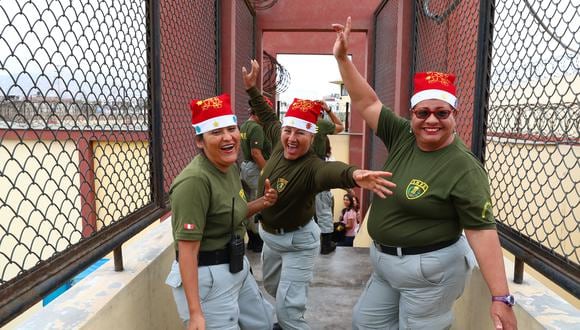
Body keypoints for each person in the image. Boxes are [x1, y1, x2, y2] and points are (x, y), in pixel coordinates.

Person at [333, 17, 518, 330]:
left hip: (430, 274)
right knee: (366, 323)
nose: (431, 120)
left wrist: (501, 298)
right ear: (412, 114)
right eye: (423, 112)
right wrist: (342, 59)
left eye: (441, 113)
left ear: (454, 115)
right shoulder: (404, 135)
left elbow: (481, 232)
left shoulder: (463, 167)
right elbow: (367, 102)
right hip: (385, 264)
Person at [242, 59, 396, 330]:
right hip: (270, 237)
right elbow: (268, 117)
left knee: (289, 310)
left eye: (300, 133)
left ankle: (292, 321)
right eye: (288, 131)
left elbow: (332, 172)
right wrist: (253, 90)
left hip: (298, 242)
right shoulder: (280, 142)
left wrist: (354, 175)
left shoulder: (312, 167)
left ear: (312, 137)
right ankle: (289, 310)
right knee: (274, 288)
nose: (291, 138)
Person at [165, 94, 277, 330]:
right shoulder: (194, 181)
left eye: (231, 128)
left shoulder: (229, 167)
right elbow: (187, 251)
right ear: (200, 141)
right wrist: (196, 313)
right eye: (216, 132)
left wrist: (263, 202)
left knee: (263, 323)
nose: (227, 137)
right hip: (208, 279)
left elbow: (232, 212)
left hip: (236, 266)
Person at [313, 101, 345, 254]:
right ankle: (326, 244)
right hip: (317, 170)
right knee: (323, 207)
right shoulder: (320, 124)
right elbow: (340, 127)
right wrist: (330, 110)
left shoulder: (298, 124)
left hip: (299, 170)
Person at [240, 105, 272, 252]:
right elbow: (256, 153)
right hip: (254, 168)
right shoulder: (256, 128)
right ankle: (257, 240)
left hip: (245, 166)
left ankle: (253, 240)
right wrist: (267, 171)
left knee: (247, 203)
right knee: (257, 203)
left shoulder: (245, 125)